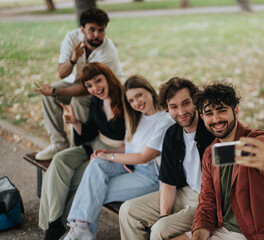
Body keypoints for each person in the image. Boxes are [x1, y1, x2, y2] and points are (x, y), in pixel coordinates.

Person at [178, 83, 264, 240]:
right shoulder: (210, 153)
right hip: (224, 229)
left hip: (258, 234)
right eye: (209, 113)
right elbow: (207, 202)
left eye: (222, 111)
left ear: (235, 111)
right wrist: (198, 235)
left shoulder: (258, 140)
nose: (216, 119)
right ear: (202, 117)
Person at [63, 75, 175, 240]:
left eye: (139, 95)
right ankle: (81, 228)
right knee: (96, 165)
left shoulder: (163, 121)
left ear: (150, 91)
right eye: (131, 100)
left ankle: (80, 230)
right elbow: (131, 148)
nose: (136, 103)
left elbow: (144, 156)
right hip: (133, 170)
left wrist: (112, 157)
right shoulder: (139, 116)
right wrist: (106, 154)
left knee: (93, 192)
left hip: (150, 177)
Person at [38, 62, 126, 240]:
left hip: (114, 152)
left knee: (77, 181)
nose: (95, 88)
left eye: (98, 81)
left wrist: (112, 153)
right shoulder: (96, 101)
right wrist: (75, 122)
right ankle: (54, 222)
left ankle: (61, 229)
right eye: (89, 86)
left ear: (108, 77)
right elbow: (89, 133)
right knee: (59, 161)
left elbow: (136, 139)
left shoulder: (125, 100)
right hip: (94, 144)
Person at [119, 77, 215, 240]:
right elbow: (168, 183)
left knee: (160, 230)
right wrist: (165, 215)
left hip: (206, 200)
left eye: (186, 103)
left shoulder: (211, 130)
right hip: (184, 192)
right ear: (167, 109)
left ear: (195, 101)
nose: (181, 112)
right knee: (128, 210)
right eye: (173, 106)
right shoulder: (172, 134)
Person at [34, 8, 124, 160]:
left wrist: (55, 92)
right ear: (82, 29)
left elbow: (87, 89)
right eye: (92, 30)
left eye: (101, 30)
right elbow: (62, 73)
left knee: (79, 100)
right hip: (78, 81)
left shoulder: (108, 52)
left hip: (105, 88)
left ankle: (81, 147)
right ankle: (59, 144)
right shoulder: (71, 38)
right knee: (48, 97)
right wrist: (73, 58)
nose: (97, 35)